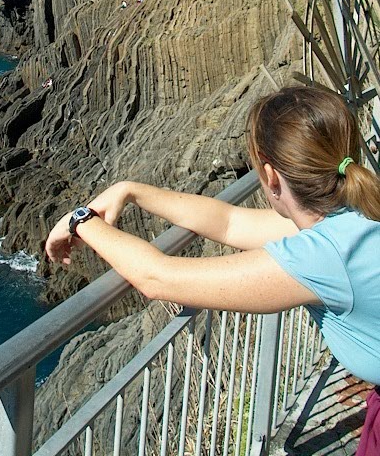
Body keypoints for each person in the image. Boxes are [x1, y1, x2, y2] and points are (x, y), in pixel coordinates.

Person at [46, 86, 380, 454]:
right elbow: (229, 222)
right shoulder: (353, 215)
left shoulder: (324, 256)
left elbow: (157, 277)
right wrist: (129, 191)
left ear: (271, 177)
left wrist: (81, 221)